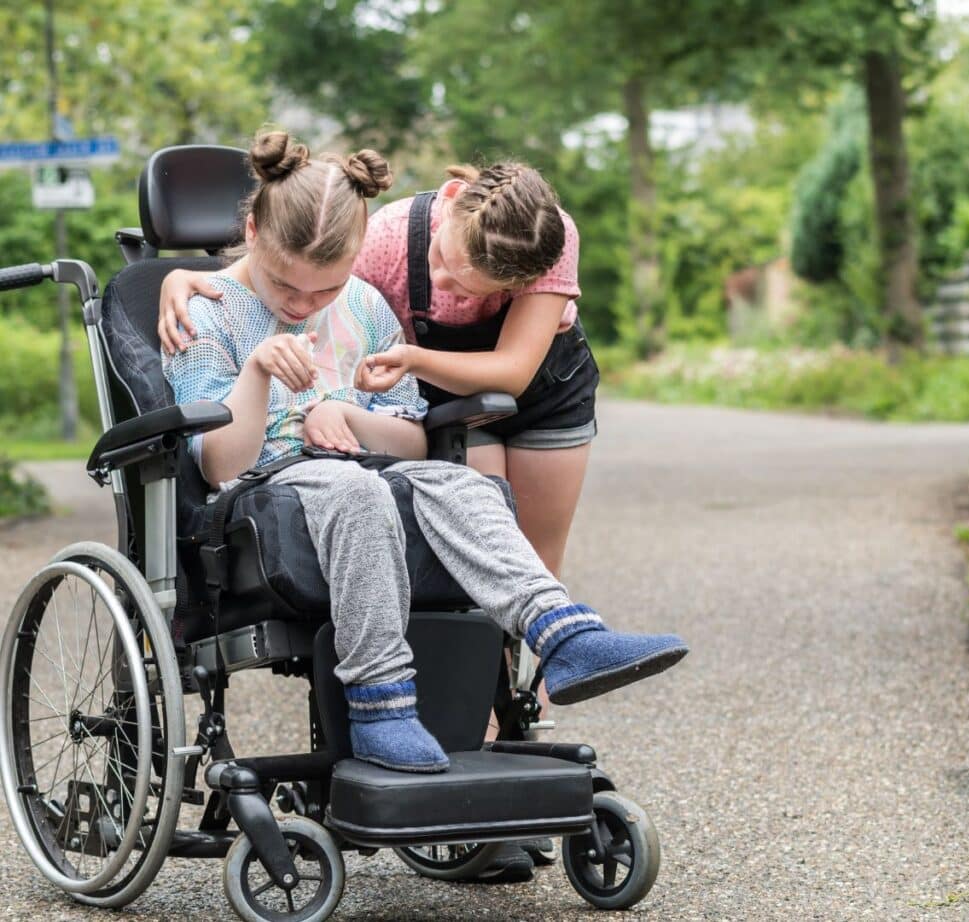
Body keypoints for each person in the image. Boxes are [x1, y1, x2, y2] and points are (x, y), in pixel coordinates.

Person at [163, 131, 686, 778]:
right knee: (354, 491)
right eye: (285, 286)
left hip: (366, 468)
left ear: (356, 257)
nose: (302, 306)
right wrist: (259, 374)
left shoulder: (364, 306)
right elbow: (217, 465)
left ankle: (565, 633)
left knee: (458, 484)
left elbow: (409, 438)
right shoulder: (205, 314)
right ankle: (381, 706)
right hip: (265, 490)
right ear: (250, 229)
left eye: (323, 291)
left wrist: (352, 416)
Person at [158, 153, 597, 581]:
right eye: (442, 261)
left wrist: (406, 364)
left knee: (535, 557)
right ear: (451, 198)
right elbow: (298, 263)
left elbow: (512, 372)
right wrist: (182, 278)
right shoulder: (386, 238)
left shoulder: (544, 236)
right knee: (476, 554)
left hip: (542, 389)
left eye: (471, 288)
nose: (444, 284)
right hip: (446, 399)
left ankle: (560, 642)